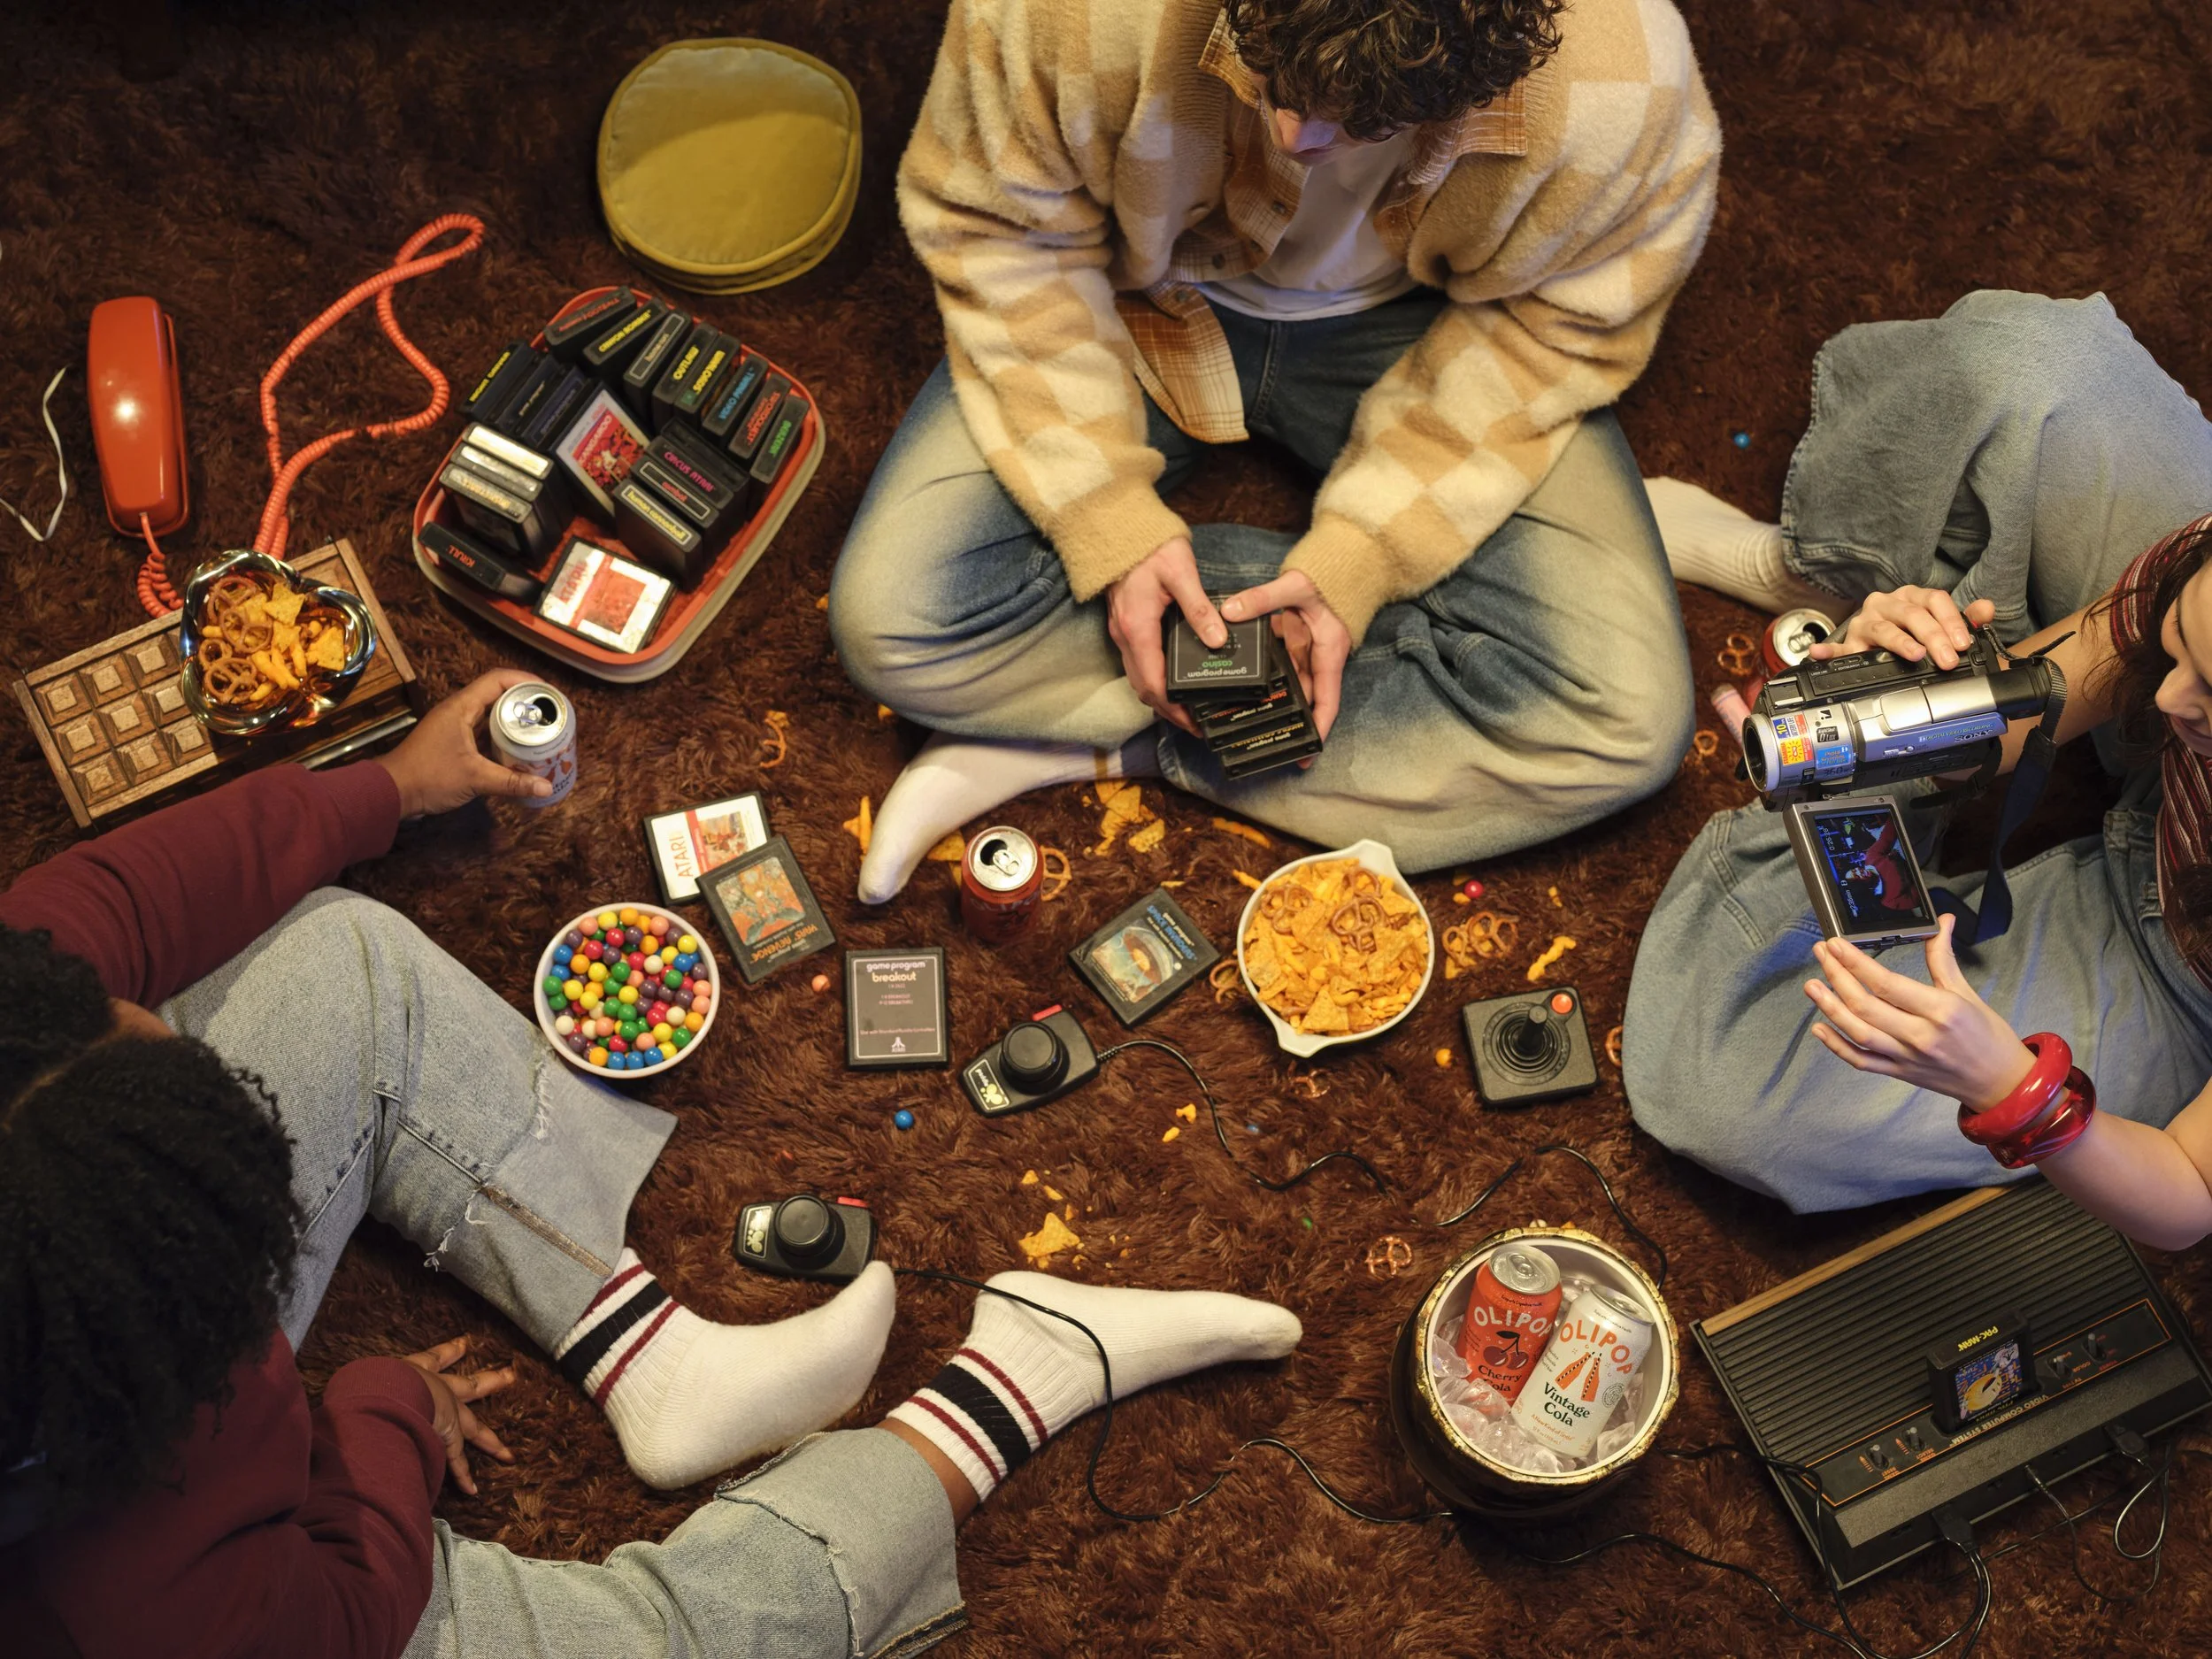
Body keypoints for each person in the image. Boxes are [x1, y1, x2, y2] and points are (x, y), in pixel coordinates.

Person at [0, 671, 1302, 1658]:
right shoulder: (143, 1588)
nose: (175, 1023)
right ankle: (1019, 1371)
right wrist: (381, 1409)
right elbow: (352, 1598)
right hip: (203, 1570)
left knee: (337, 956)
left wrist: (389, 787)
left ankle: (654, 1357)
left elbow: (111, 908)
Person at [829, 0, 1720, 902]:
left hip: (1431, 332)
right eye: (1270, 83)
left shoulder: (1623, 78)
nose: (1296, 137)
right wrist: (1109, 523)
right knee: (896, 624)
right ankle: (1399, 663)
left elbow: (1558, 326)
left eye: (1365, 119)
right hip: (1131, 291)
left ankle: (1102, 740)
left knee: (1622, 725)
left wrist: (1360, 561)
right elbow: (998, 229)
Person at [1622, 289, 2212, 1214]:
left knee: (1733, 1085)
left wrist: (2010, 1088)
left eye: (2211, 694)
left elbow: (2184, 1195)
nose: (2170, 696)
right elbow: (2059, 693)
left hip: (2184, 968)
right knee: (2034, 364)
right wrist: (1901, 709)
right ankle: (1803, 567)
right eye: (2181, 646)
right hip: (2175, 820)